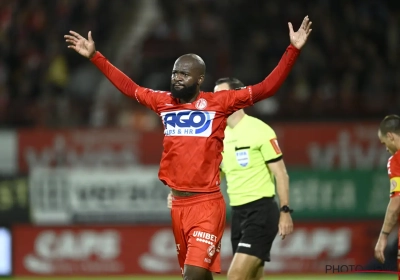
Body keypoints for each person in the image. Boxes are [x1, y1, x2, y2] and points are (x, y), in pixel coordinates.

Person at [65, 16, 312, 280]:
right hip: (178, 207)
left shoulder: (219, 102)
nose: (177, 78)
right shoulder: (163, 102)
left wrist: (292, 50)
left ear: (199, 78)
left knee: (192, 277)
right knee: (199, 276)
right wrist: (95, 57)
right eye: (174, 73)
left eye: (184, 73)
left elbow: (266, 88)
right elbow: (130, 88)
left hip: (206, 205)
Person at [168, 77, 293, 280]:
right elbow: (210, 176)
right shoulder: (219, 135)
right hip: (238, 215)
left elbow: (281, 173)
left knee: (235, 276)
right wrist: (180, 193)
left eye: (221, 95)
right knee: (253, 277)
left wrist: (285, 210)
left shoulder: (259, 130)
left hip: (261, 212)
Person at [374, 114, 400, 279]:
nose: (385, 148)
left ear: (390, 136)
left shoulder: (396, 161)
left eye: (384, 143)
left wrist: (383, 236)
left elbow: (396, 201)